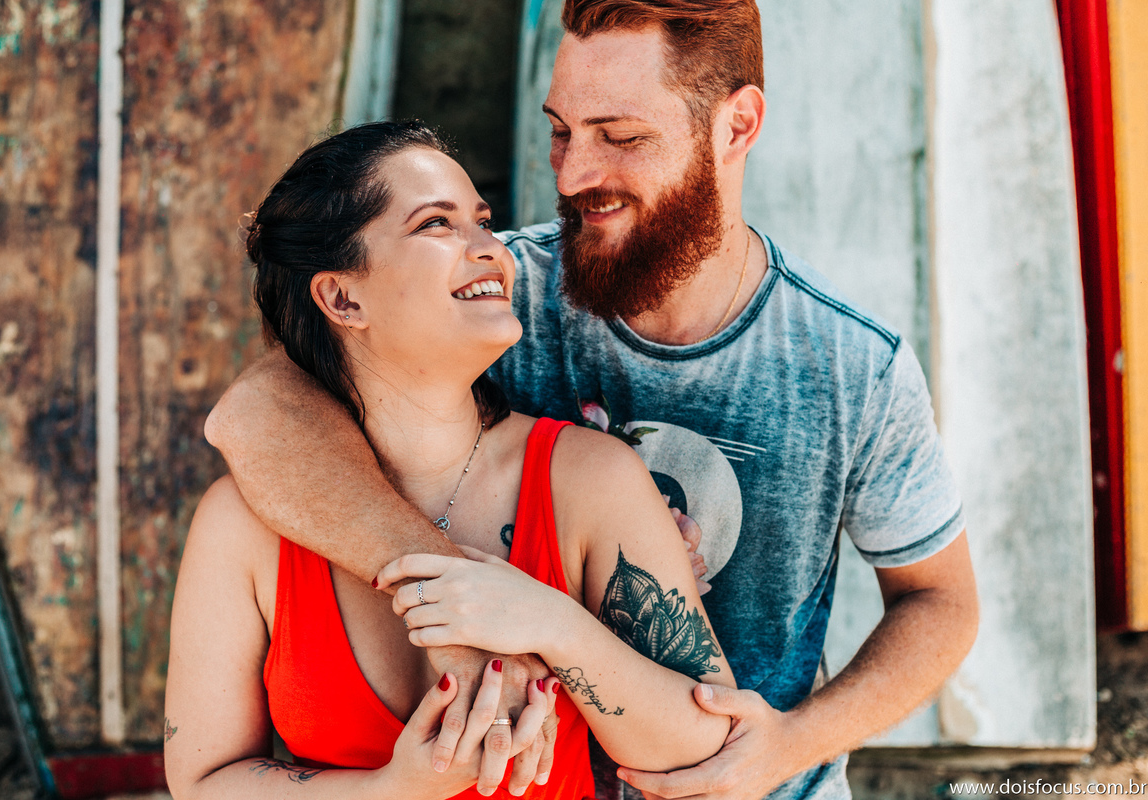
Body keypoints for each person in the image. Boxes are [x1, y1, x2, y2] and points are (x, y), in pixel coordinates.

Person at [203, 1, 980, 798]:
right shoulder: (497, 295)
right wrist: (462, 614)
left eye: (622, 136)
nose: (572, 175)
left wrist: (789, 744)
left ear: (736, 127)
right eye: (562, 130)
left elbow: (940, 603)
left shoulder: (852, 365)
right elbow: (260, 409)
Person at [163, 121, 735, 800]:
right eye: (438, 224)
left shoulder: (588, 478)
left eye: (484, 222)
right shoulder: (242, 525)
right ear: (343, 297)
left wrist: (551, 624)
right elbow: (202, 782)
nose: (491, 249)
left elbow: (702, 740)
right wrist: (394, 788)